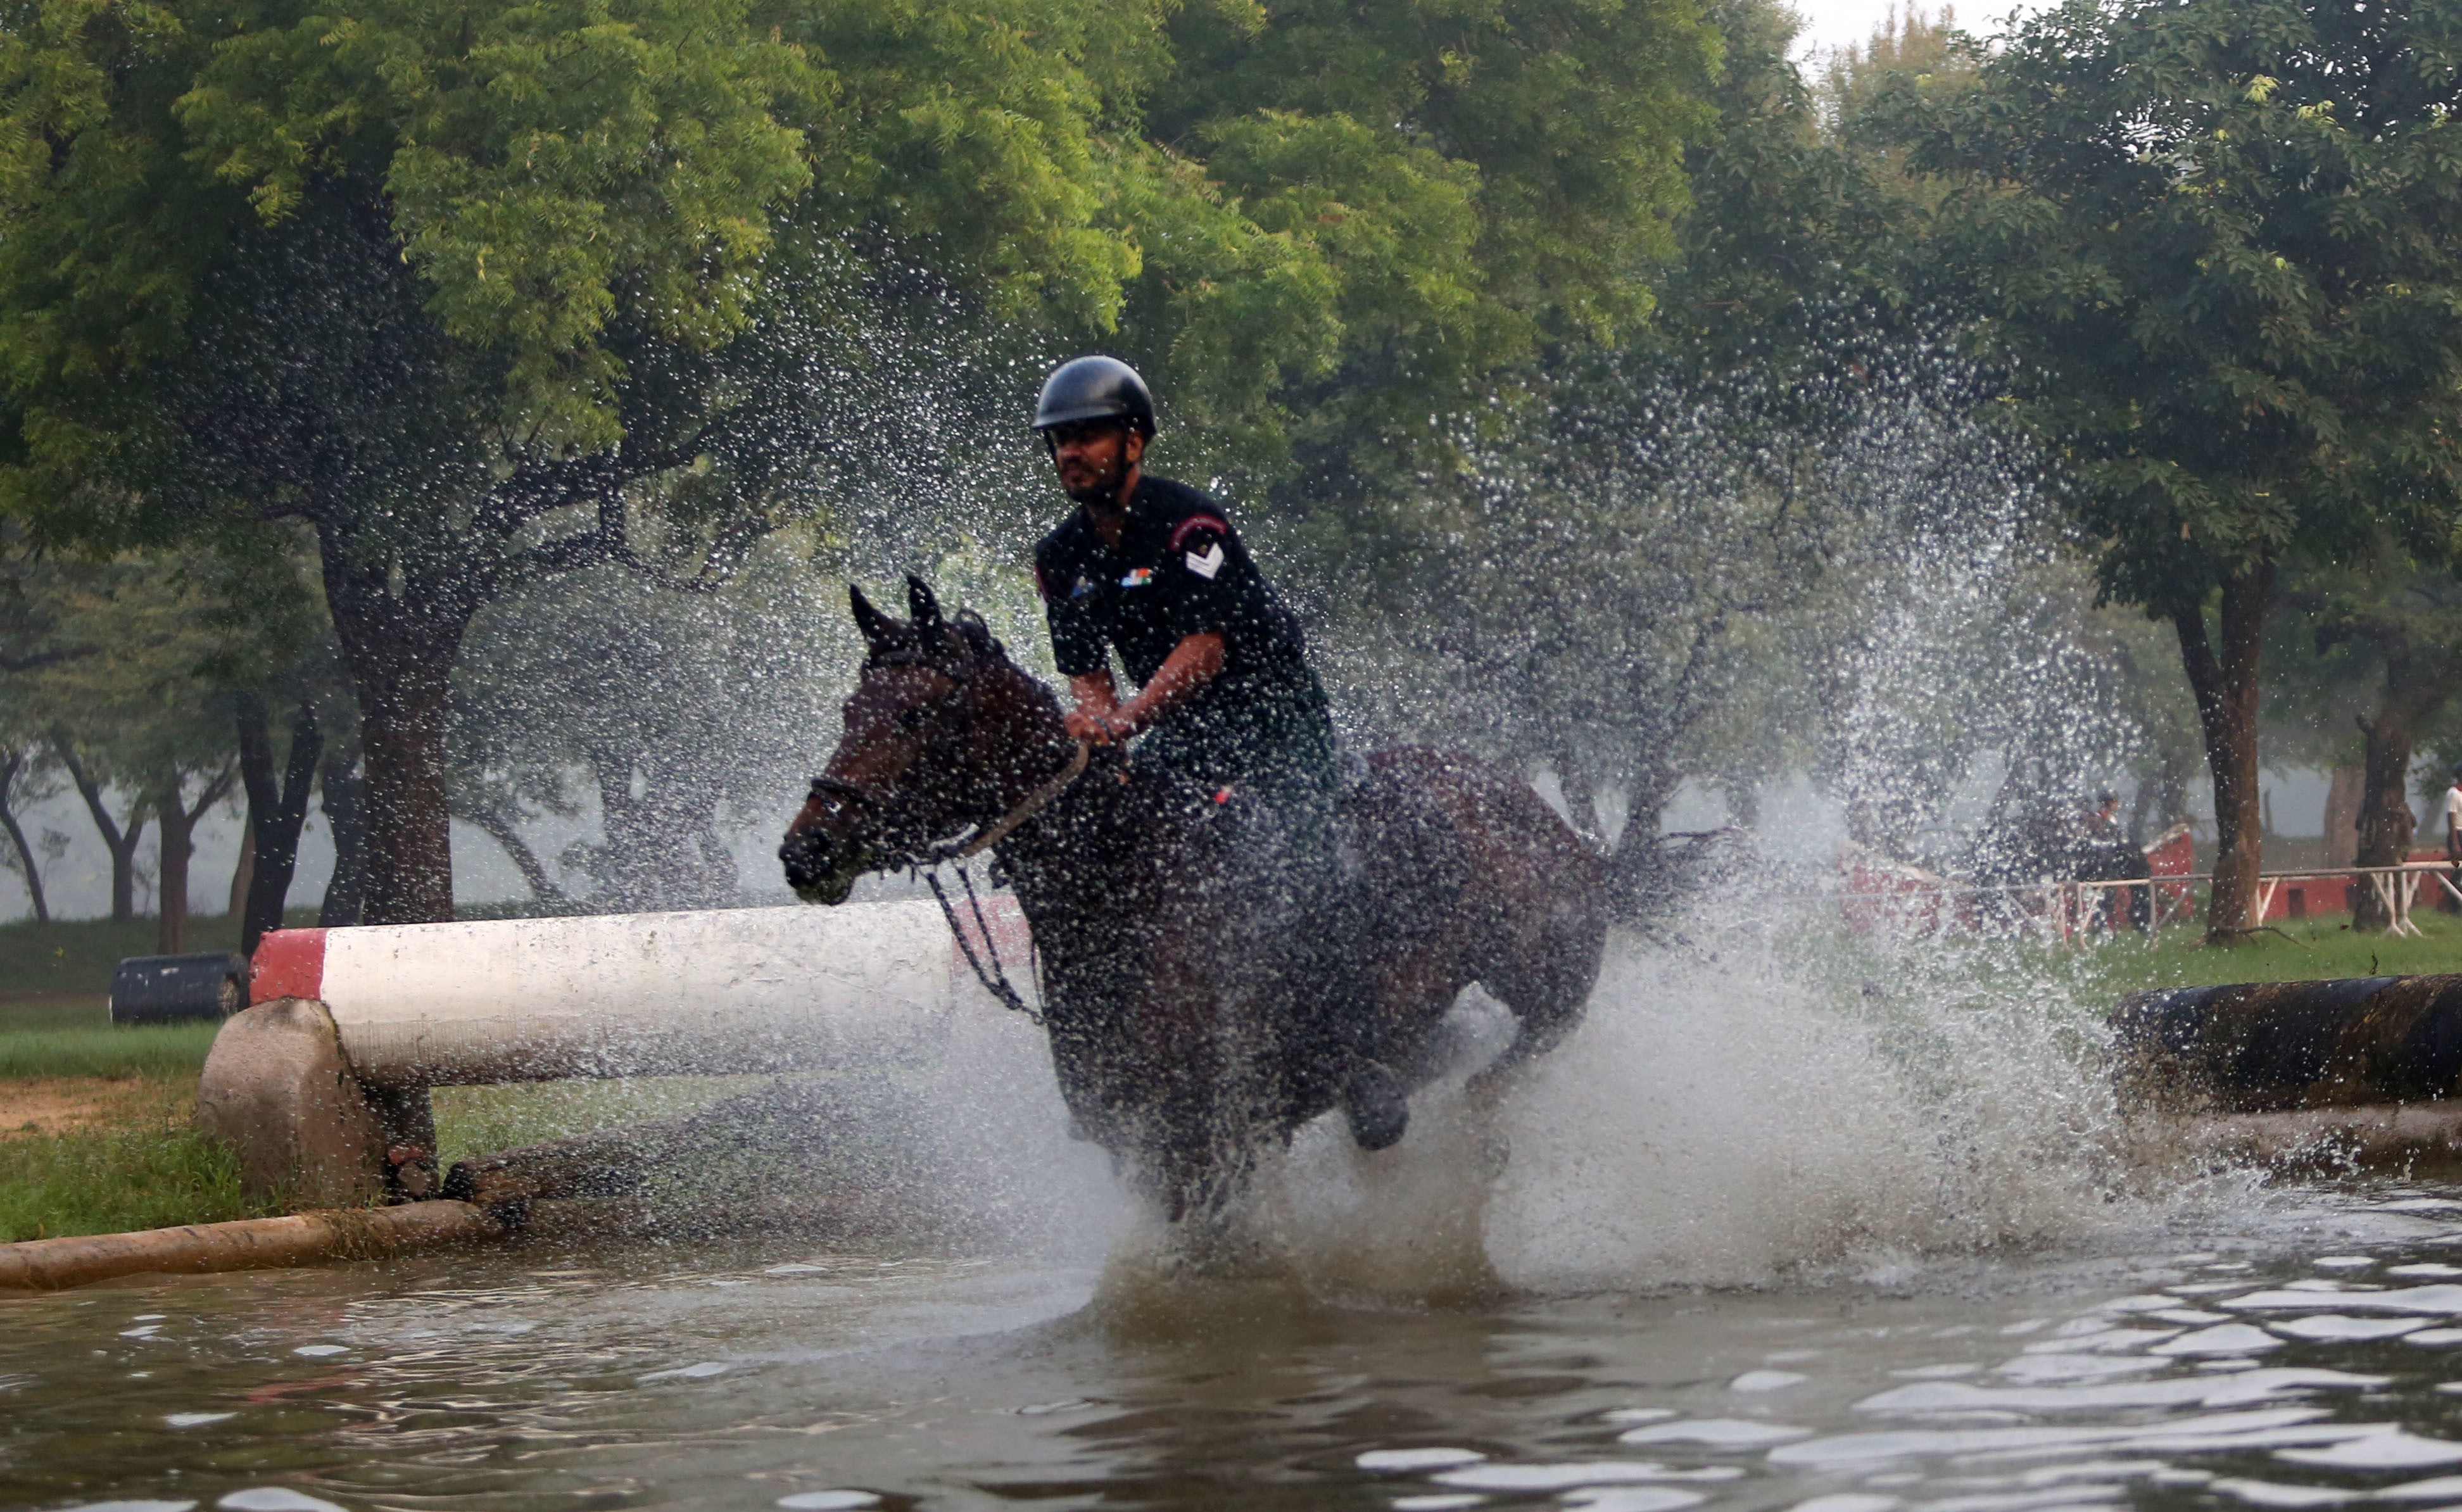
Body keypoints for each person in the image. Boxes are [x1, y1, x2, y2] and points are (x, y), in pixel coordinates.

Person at [1026, 355, 1404, 1147]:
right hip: (1178, 730)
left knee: (1304, 854)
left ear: (1135, 442)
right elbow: (1087, 679)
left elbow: (1204, 652)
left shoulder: (1191, 525)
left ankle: (1360, 1055)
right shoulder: (1059, 556)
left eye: (1089, 437)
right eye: (1060, 441)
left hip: (1274, 717)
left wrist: (1125, 720)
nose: (1071, 454)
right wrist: (1093, 725)